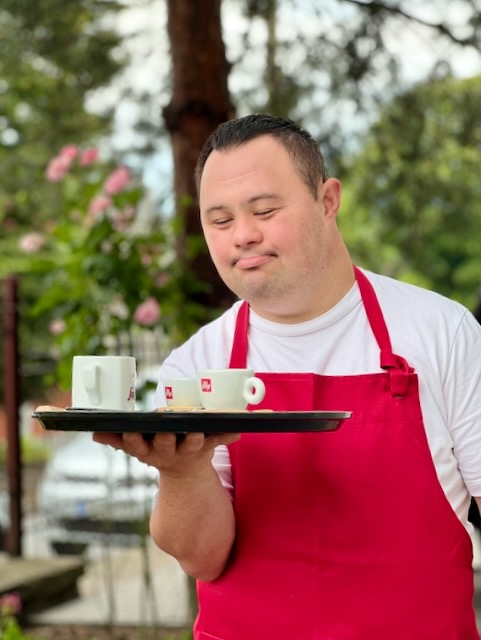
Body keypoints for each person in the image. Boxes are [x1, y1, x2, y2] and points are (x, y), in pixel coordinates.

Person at [94, 114, 481, 639]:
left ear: (327, 201)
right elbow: (203, 559)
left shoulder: (441, 332)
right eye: (221, 220)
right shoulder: (196, 365)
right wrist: (181, 473)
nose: (244, 236)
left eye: (265, 210)